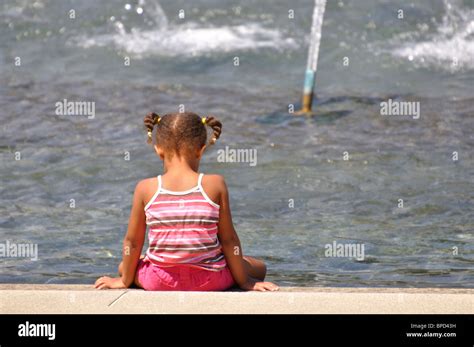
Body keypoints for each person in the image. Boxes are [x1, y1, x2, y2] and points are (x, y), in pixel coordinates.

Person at [95, 112, 279, 291]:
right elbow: (229, 240)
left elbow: (132, 242)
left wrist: (124, 281)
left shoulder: (145, 188)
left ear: (158, 150)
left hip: (159, 281)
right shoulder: (215, 184)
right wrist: (245, 281)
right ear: (201, 150)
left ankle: (133, 272)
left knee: (124, 266)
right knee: (259, 267)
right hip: (210, 280)